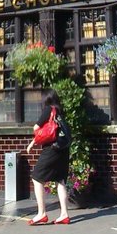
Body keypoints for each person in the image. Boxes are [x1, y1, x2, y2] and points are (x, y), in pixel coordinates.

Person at [26, 89, 70, 225]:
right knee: (60, 180)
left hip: (51, 149)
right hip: (63, 148)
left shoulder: (48, 110)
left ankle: (41, 213)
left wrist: (35, 140)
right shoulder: (59, 111)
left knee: (37, 178)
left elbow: (36, 127)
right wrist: (33, 142)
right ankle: (64, 214)